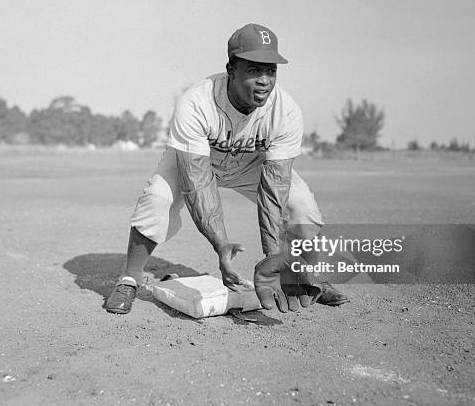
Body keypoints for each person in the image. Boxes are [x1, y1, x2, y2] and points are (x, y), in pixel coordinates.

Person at [106, 23, 349, 314]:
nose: (264, 81)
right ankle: (130, 278)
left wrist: (273, 258)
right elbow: (198, 183)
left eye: (270, 71)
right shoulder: (197, 102)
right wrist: (220, 243)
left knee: (301, 205)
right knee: (158, 198)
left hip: (250, 164)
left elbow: (275, 190)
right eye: (253, 70)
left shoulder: (285, 111)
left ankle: (302, 277)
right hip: (196, 160)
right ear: (231, 69)